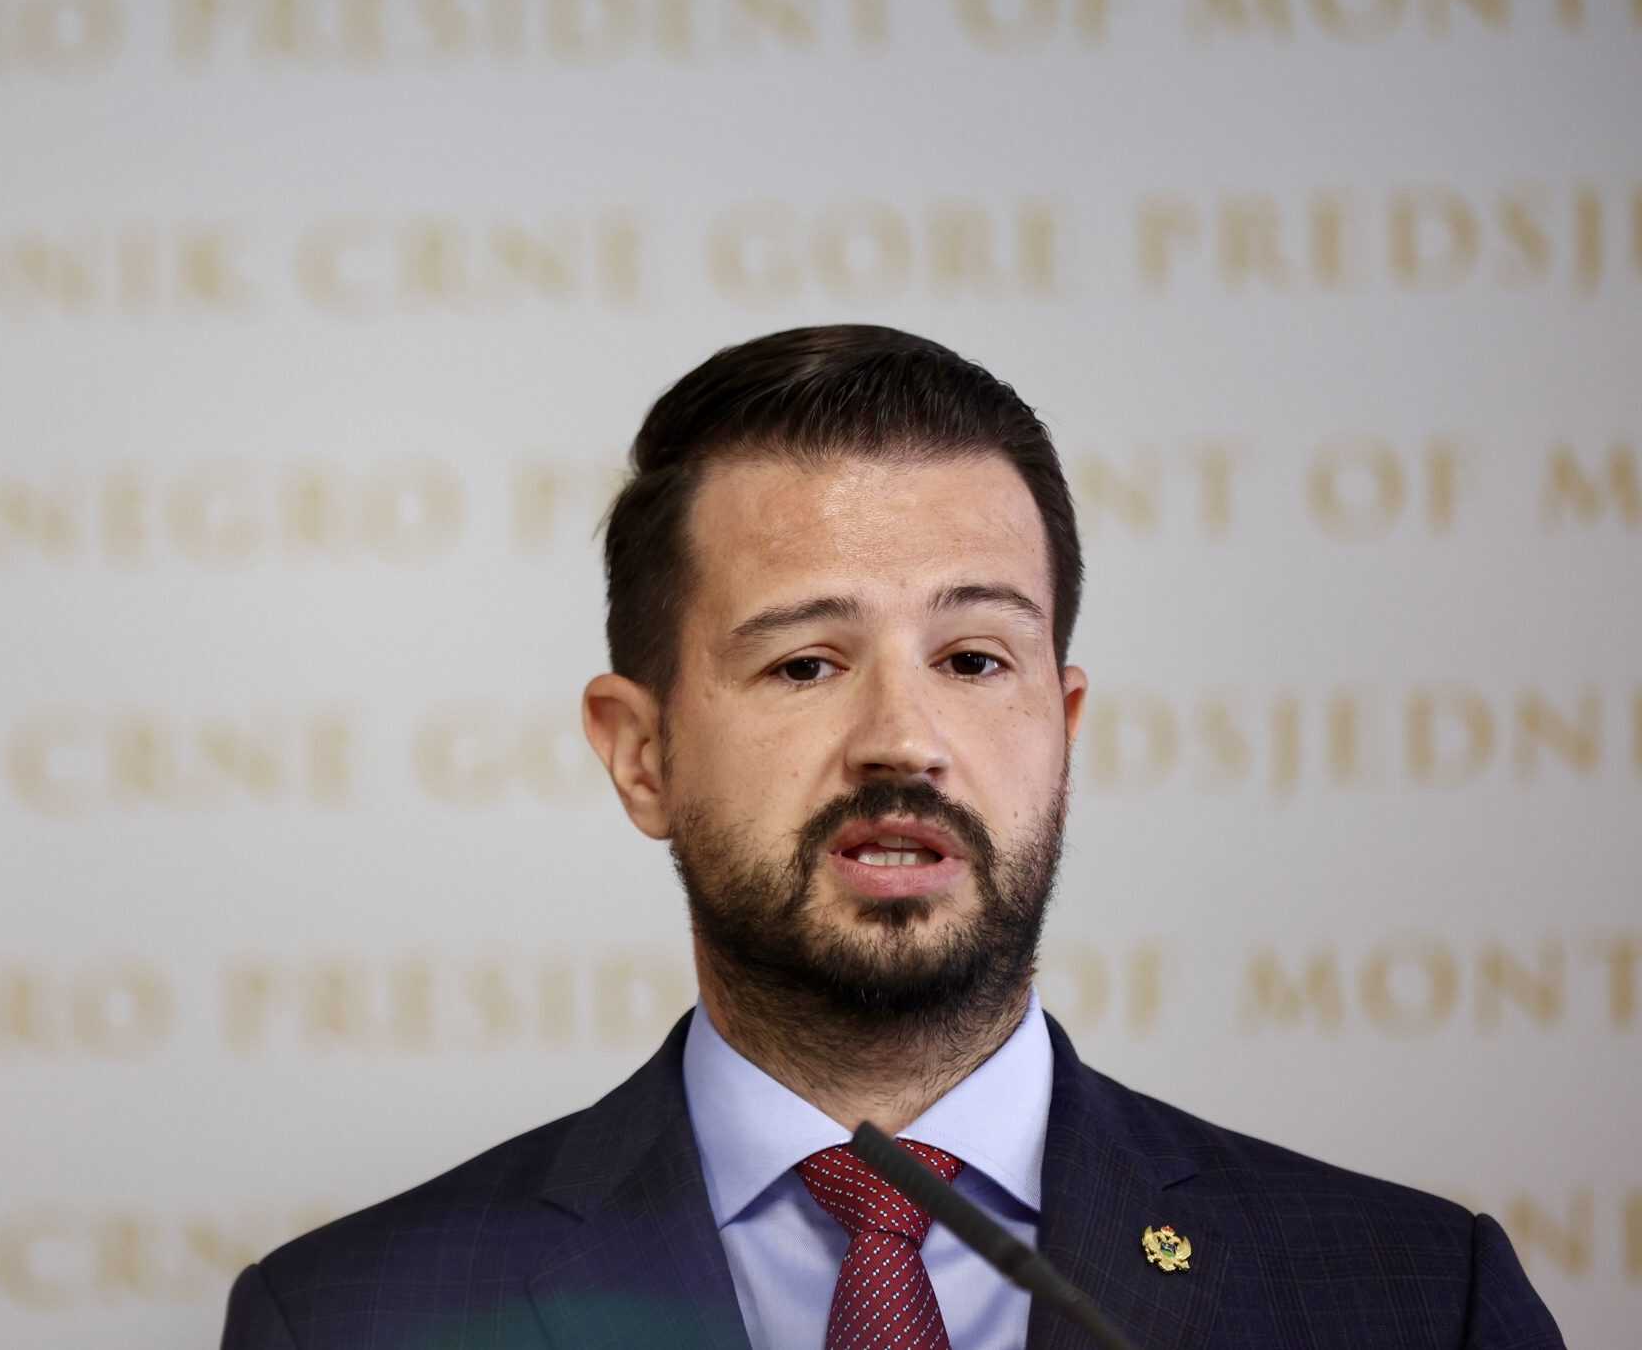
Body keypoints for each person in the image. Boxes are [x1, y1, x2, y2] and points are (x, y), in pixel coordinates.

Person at [219, 325, 1563, 1350]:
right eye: (805, 664)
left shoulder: (1412, 1298)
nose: (902, 741)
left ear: (1063, 727)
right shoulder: (350, 1321)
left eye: (974, 659)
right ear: (642, 754)